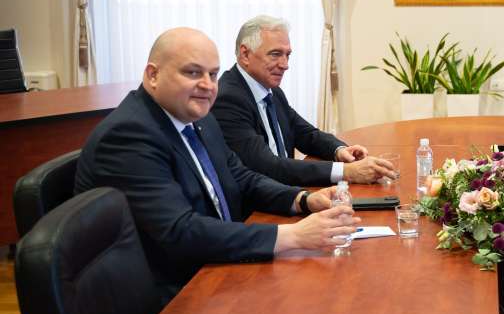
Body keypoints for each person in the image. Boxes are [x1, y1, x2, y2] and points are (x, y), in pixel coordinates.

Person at [75, 28, 360, 299]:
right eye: (192, 72)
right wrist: (293, 235)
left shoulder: (199, 117)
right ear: (153, 75)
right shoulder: (129, 135)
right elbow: (180, 231)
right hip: (174, 291)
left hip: (218, 264)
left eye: (212, 74)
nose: (208, 85)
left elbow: (242, 177)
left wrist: (303, 200)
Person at [212, 16, 394, 187]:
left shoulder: (272, 90)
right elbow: (266, 166)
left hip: (286, 192)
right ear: (245, 54)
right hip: (258, 204)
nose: (285, 65)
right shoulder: (228, 99)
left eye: (287, 55)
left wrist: (339, 150)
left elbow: (305, 134)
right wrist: (346, 172)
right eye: (275, 54)